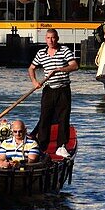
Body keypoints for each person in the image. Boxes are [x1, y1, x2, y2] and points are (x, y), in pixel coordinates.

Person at [29, 28, 78, 157]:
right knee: (45, 117)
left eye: (53, 38)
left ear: (57, 38)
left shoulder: (64, 50)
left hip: (63, 89)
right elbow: (31, 68)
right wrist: (35, 81)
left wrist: (60, 69)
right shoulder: (41, 53)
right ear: (46, 39)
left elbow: (74, 65)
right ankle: (42, 146)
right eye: (48, 38)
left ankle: (61, 146)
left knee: (63, 118)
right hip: (49, 89)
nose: (51, 40)